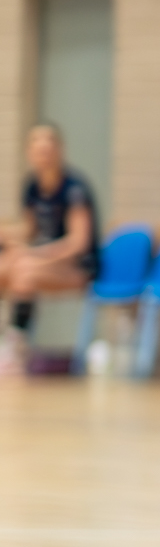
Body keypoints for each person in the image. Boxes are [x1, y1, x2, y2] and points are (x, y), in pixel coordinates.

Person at [0, 124, 98, 376]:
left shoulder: (75, 188)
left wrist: (36, 255)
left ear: (60, 150)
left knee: (25, 272)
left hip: (77, 267)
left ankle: (16, 349)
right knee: (5, 266)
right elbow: (29, 230)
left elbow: (78, 243)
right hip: (40, 260)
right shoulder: (31, 186)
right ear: (29, 152)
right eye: (37, 145)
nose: (43, 150)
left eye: (49, 144)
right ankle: (10, 337)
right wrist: (8, 237)